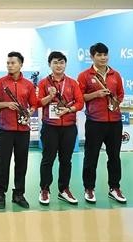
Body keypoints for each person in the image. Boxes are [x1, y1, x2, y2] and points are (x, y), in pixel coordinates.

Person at [0, 52, 38, 210]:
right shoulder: (0, 83)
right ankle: (0, 193)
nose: (9, 65)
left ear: (20, 65)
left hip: (23, 130)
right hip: (5, 129)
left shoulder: (28, 85)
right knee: (3, 163)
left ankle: (18, 194)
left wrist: (30, 112)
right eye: (8, 63)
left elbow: (34, 104)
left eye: (13, 63)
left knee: (21, 162)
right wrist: (6, 104)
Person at [77, 42, 127, 205]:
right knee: (91, 157)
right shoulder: (85, 75)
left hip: (114, 122)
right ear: (92, 57)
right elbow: (80, 98)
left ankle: (114, 188)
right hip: (95, 122)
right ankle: (89, 188)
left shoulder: (115, 75)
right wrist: (96, 94)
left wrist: (115, 103)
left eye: (105, 54)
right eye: (99, 55)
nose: (103, 58)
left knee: (114, 157)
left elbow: (120, 94)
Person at [36, 51, 84, 206]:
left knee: (66, 160)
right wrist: (50, 97)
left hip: (69, 127)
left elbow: (80, 102)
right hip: (50, 127)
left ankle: (64, 189)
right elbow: (38, 103)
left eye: (61, 62)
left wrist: (69, 110)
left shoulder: (72, 83)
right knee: (47, 159)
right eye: (55, 62)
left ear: (65, 64)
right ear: (49, 64)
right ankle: (44, 189)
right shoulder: (43, 83)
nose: (59, 65)